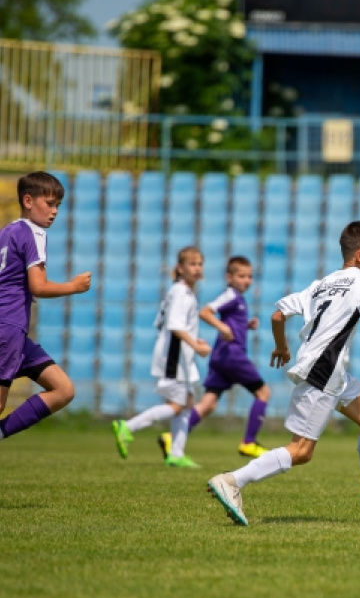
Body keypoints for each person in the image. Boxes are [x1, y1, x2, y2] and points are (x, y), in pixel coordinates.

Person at [207, 220, 360, 526]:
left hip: (328, 369)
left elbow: (278, 314)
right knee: (302, 450)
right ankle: (232, 481)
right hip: (325, 369)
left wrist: (282, 347)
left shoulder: (323, 283)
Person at [0, 171, 91, 440]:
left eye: (58, 206)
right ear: (28, 200)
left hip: (13, 329)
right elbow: (38, 285)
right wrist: (73, 286)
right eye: (49, 204)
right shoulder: (34, 232)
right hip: (8, 327)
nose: (54, 212)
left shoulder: (8, 231)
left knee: (63, 389)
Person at [157, 255, 271, 460]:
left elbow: (230, 324)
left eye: (250, 276)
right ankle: (249, 443)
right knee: (263, 393)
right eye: (242, 276)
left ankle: (171, 438)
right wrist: (221, 326)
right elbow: (206, 312)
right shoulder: (230, 295)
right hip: (232, 355)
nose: (247, 280)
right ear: (229, 277)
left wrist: (245, 326)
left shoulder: (238, 299)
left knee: (208, 403)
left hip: (221, 357)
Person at [111, 246, 210, 468]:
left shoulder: (182, 291)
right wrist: (195, 344)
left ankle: (176, 452)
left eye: (200, 264)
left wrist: (195, 341)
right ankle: (128, 426)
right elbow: (174, 325)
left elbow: (162, 323)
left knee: (187, 403)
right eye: (192, 264)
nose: (197, 268)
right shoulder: (181, 292)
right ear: (180, 268)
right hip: (174, 358)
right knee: (178, 405)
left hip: (178, 356)